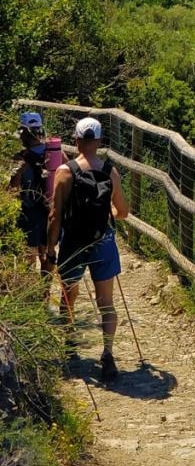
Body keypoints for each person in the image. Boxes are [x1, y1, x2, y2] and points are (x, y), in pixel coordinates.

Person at [47, 116, 129, 383]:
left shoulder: (65, 172)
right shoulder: (110, 172)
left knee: (68, 294)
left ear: (76, 140)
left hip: (73, 241)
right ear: (100, 141)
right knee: (106, 301)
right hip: (103, 240)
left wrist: (50, 247)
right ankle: (107, 353)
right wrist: (108, 215)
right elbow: (124, 212)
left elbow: (55, 215)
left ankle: (70, 343)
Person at [9, 112, 51, 274]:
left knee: (29, 253)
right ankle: (45, 292)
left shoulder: (20, 157)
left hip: (28, 211)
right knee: (46, 252)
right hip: (50, 208)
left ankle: (30, 291)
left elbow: (13, 190)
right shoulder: (54, 153)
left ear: (25, 132)